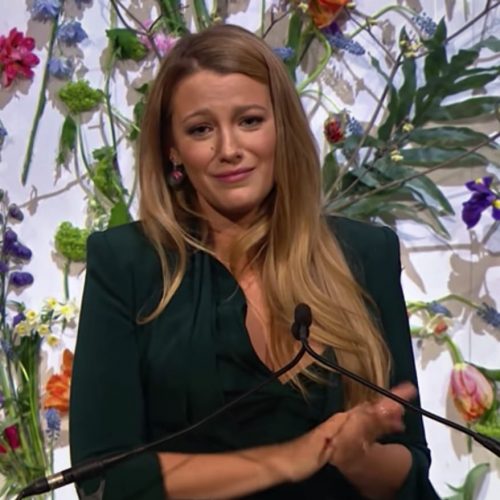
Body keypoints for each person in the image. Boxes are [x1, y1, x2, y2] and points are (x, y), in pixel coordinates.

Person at [69, 24, 439, 500]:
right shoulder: (128, 263)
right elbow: (102, 477)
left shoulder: (365, 253)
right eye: (201, 129)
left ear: (282, 127)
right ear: (172, 149)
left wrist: (355, 456)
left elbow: (410, 469)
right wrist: (288, 458)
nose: (229, 150)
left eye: (249, 120)